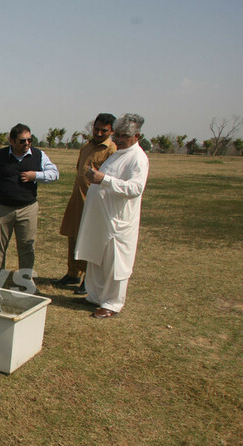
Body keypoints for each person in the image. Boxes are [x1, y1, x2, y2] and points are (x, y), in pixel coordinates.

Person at [74, 114, 149, 319]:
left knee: (116, 263)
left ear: (136, 136)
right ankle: (95, 296)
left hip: (118, 221)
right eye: (118, 135)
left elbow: (135, 188)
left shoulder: (138, 158)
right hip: (102, 219)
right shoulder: (118, 154)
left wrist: (104, 179)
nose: (120, 139)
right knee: (98, 259)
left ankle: (113, 303)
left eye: (125, 136)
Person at [0, 123, 59, 285]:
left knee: (27, 245)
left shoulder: (38, 155)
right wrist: (1, 191)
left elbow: (54, 174)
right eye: (22, 141)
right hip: (2, 208)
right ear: (12, 141)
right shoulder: (0, 156)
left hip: (27, 208)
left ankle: (26, 279)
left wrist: (35, 176)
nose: (27, 144)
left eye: (29, 140)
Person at [54, 113, 117, 292]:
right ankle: (73, 273)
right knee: (73, 237)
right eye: (96, 129)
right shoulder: (86, 147)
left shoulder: (112, 151)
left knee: (90, 241)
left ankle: (89, 280)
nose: (98, 133)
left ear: (111, 131)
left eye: (103, 131)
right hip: (77, 200)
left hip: (95, 204)